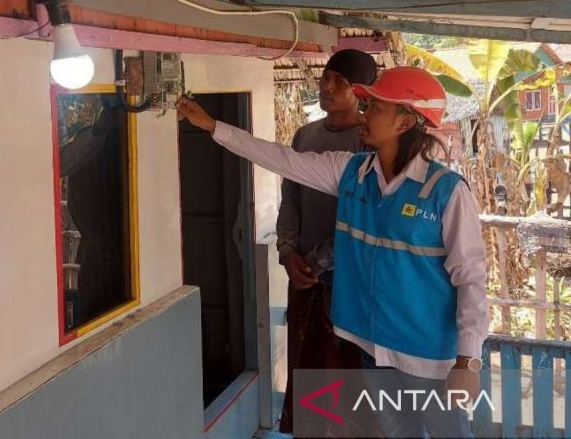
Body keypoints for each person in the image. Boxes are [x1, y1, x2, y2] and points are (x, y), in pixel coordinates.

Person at [177, 66, 488, 438]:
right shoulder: (351, 172)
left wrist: (468, 360)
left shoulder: (447, 191)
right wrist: (213, 127)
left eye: (375, 107)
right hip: (373, 348)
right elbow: (281, 159)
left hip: (429, 357)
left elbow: (471, 278)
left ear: (405, 122)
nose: (364, 113)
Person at [275, 49, 378, 435]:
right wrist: (287, 251)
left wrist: (320, 260)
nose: (327, 86)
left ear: (360, 91)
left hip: (348, 281)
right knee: (309, 373)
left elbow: (365, 216)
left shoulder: (370, 141)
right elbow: (290, 197)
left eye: (340, 81)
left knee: (349, 380)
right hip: (302, 276)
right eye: (326, 77)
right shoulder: (305, 135)